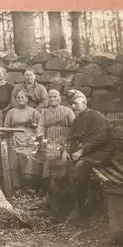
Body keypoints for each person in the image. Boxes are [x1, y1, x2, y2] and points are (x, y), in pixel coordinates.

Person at [62, 89, 113, 222]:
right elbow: (71, 139)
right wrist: (66, 151)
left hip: (101, 153)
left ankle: (82, 209)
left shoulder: (96, 116)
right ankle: (66, 206)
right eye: (71, 104)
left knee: (80, 166)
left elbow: (99, 138)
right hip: (85, 154)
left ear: (84, 102)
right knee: (63, 166)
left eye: (76, 104)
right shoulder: (76, 121)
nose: (73, 107)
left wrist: (81, 151)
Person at [39, 90, 75, 221]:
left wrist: (67, 146)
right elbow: (40, 127)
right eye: (50, 97)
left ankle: (66, 207)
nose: (52, 99)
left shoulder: (67, 111)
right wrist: (41, 138)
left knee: (65, 174)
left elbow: (75, 128)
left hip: (65, 144)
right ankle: (51, 204)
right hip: (50, 144)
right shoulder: (44, 112)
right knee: (49, 174)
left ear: (60, 98)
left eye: (55, 96)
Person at [4, 89, 43, 194]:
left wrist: (34, 127)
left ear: (27, 99)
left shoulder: (34, 112)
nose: (20, 99)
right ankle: (16, 185)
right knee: (14, 158)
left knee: (29, 158)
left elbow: (41, 126)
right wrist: (11, 136)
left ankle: (28, 185)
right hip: (14, 137)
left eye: (22, 97)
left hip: (29, 138)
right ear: (15, 99)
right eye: (18, 97)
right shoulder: (11, 112)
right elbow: (6, 127)